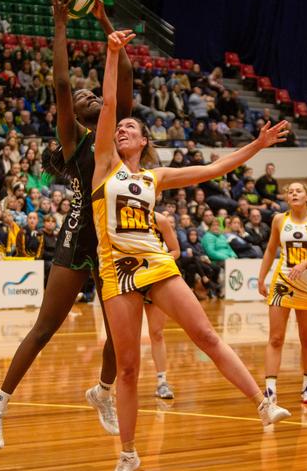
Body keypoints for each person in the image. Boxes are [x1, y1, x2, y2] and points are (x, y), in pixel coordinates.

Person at [92, 30, 291, 470]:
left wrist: (256, 145)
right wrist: (112, 55)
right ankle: (127, 454)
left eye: (132, 128)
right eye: (120, 127)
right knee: (128, 368)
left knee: (205, 335)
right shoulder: (103, 166)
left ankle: (262, 403)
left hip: (156, 262)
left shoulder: (154, 178)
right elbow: (108, 106)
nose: (123, 129)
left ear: (144, 142)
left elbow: (214, 167)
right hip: (116, 269)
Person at [0, 0, 133, 449]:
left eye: (94, 92)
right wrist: (61, 21)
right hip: (77, 237)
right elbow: (63, 84)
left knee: (121, 337)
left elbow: (123, 72)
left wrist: (106, 23)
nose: (87, 93)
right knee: (45, 328)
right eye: (84, 96)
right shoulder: (75, 140)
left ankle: (101, 392)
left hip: (115, 243)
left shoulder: (116, 128)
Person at [258, 183, 307, 408]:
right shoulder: (279, 220)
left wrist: (306, 263)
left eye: (298, 191)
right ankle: (270, 389)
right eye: (290, 191)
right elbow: (271, 250)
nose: (293, 194)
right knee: (275, 338)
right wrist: (261, 278)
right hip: (282, 282)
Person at [145, 212, 179, 399]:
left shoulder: (160, 220)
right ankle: (116, 383)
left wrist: (160, 262)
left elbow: (175, 250)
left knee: (157, 333)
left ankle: (162, 382)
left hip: (155, 279)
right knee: (124, 337)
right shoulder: (118, 216)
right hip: (128, 278)